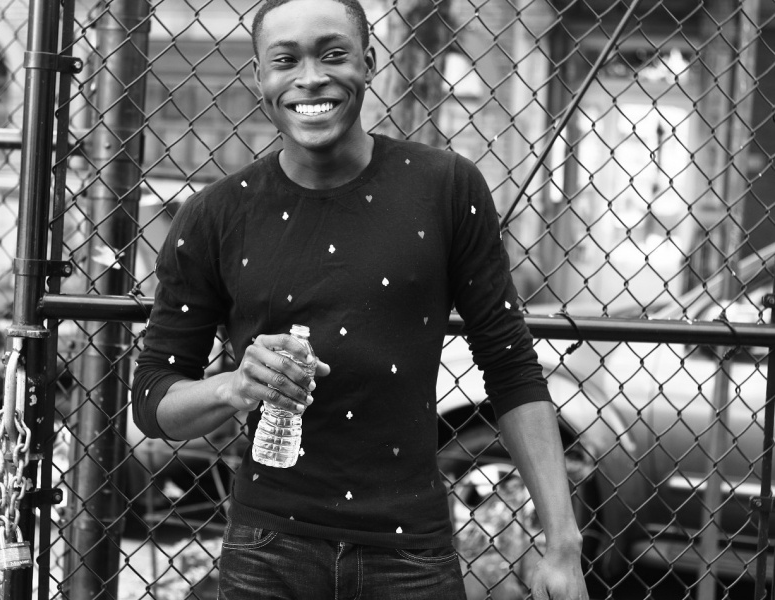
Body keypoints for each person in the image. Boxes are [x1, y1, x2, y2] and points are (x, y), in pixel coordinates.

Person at [132, 0, 589, 597]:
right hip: (268, 552)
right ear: (259, 77)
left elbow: (512, 370)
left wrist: (563, 544)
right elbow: (153, 398)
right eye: (285, 60)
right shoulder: (214, 215)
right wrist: (234, 387)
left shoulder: (446, 187)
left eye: (333, 54)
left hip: (411, 553)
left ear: (369, 63)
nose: (310, 77)